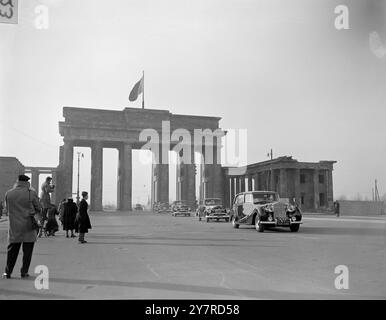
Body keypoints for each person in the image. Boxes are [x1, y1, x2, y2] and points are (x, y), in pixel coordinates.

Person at [2, 175, 41, 279]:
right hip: (28, 225)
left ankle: (8, 272)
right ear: (27, 182)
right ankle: (24, 272)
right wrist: (32, 211)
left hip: (14, 226)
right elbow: (39, 208)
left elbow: (6, 209)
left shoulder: (9, 193)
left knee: (12, 250)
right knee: (27, 251)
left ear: (17, 181)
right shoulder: (31, 193)